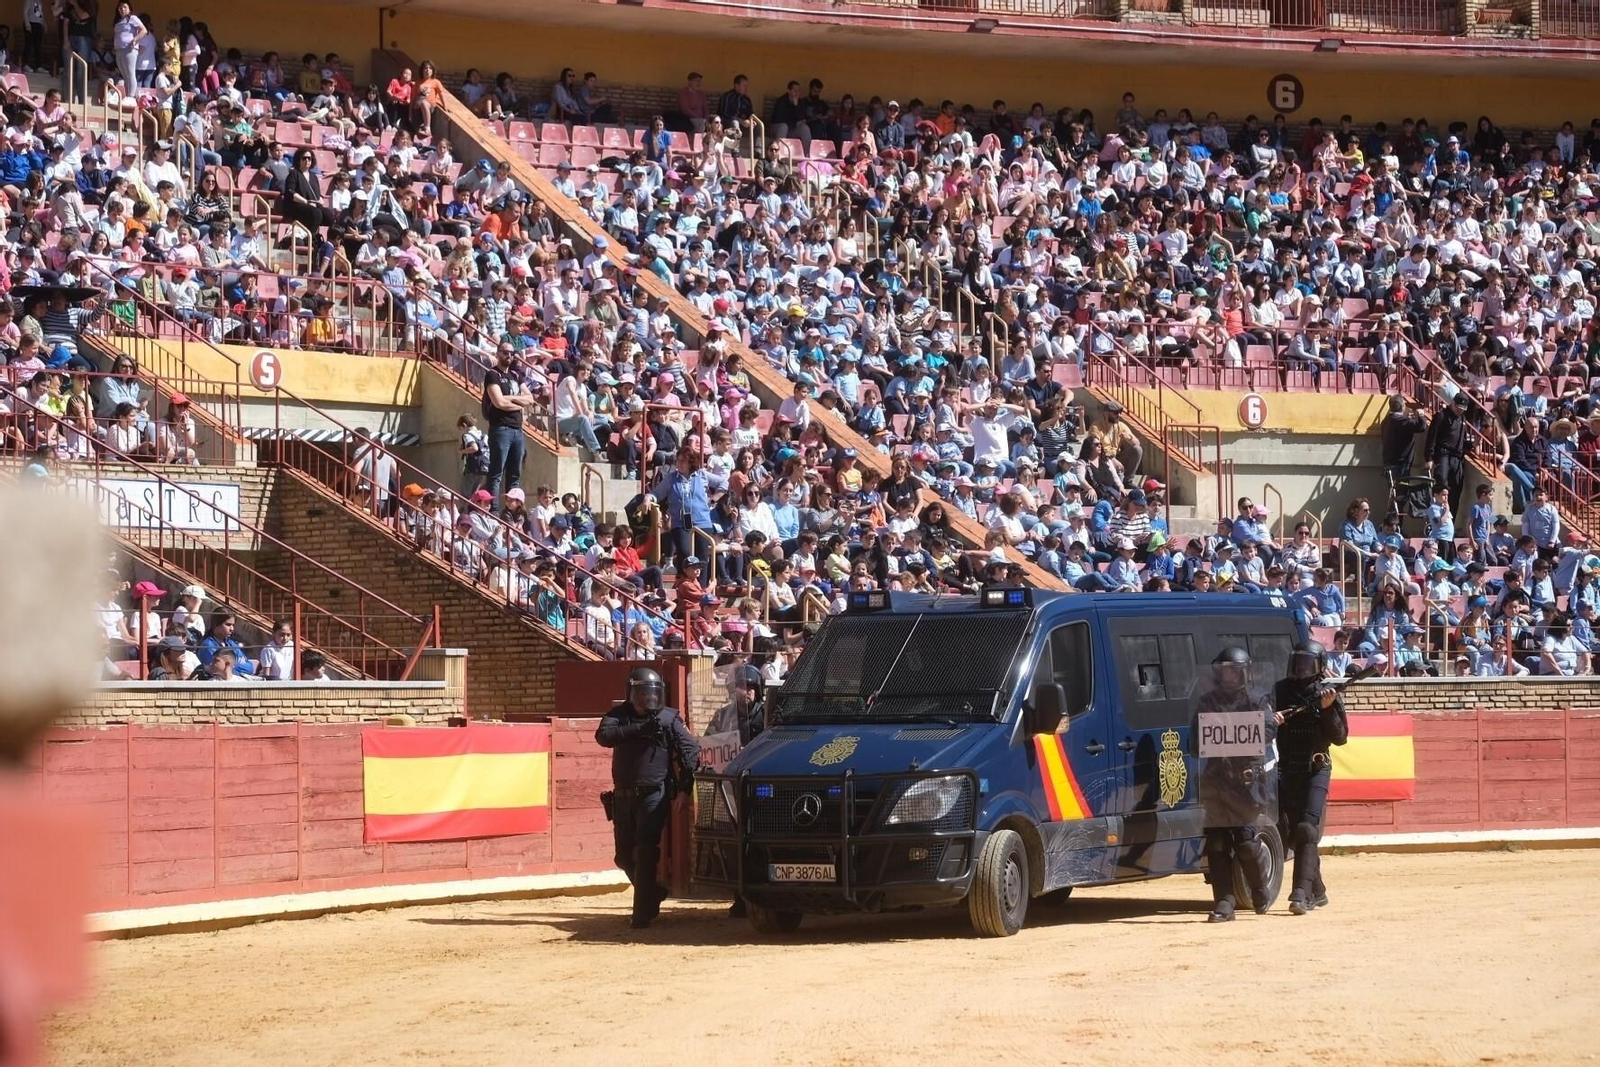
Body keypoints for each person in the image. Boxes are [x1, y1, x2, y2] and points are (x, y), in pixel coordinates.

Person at [595, 667, 701, 929]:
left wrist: (685, 789)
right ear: (631, 693)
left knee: (644, 853)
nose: (647, 699)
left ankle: (641, 914)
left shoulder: (668, 718)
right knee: (623, 856)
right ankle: (652, 893)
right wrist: (641, 729)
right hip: (623, 796)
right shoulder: (618, 715)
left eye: (651, 693)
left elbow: (690, 749)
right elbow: (604, 737)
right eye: (641, 693)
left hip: (655, 793)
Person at [1196, 645, 1274, 923]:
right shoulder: (1207, 702)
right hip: (1216, 780)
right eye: (1225, 672)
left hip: (1245, 781)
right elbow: (1196, 742)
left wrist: (1239, 727)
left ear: (1245, 673)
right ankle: (1224, 903)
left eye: (1234, 672)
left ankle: (1259, 886)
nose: (1229, 677)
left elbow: (1267, 731)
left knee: (1245, 844)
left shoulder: (1257, 699)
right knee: (1216, 845)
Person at [1272, 640, 1348, 916]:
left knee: (1307, 828)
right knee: (1293, 833)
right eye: (1297, 662)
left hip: (1316, 768)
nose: (1301, 668)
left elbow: (1340, 738)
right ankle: (1318, 890)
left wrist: (1328, 709)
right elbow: (1264, 724)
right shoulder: (1280, 690)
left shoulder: (1327, 693)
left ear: (1318, 667)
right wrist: (1273, 719)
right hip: (1287, 768)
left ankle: (1300, 893)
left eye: (1307, 663)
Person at [481, 344, 538, 499]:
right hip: (500, 428)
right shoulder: (492, 375)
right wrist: (519, 405)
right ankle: (492, 510)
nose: (509, 356)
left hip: (517, 430)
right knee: (496, 472)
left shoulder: (515, 375)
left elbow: (530, 398)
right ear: (498, 353)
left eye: (512, 353)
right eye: (505, 352)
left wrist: (510, 398)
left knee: (515, 474)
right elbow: (499, 402)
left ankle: (512, 511)